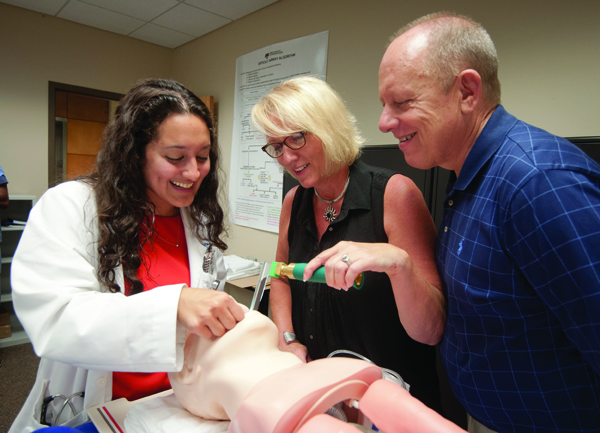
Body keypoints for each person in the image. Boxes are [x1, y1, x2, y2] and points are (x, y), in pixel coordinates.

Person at [307, 11, 600, 433]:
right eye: (383, 105)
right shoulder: (466, 177)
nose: (384, 123)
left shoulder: (537, 182)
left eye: (402, 102)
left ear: (467, 91)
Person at [9, 78, 245, 433]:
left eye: (202, 156)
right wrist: (173, 305)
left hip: (173, 406)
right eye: (175, 157)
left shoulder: (199, 221)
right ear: (135, 153)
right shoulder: (71, 206)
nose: (193, 172)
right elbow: (54, 318)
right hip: (98, 405)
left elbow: (208, 302)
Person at [251, 76, 444, 413]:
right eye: (277, 147)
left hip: (388, 398)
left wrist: (399, 264)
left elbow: (430, 330)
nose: (286, 157)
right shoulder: (294, 201)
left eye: (296, 138)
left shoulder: (393, 194)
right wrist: (288, 339)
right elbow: (280, 275)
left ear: (327, 127)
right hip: (322, 391)